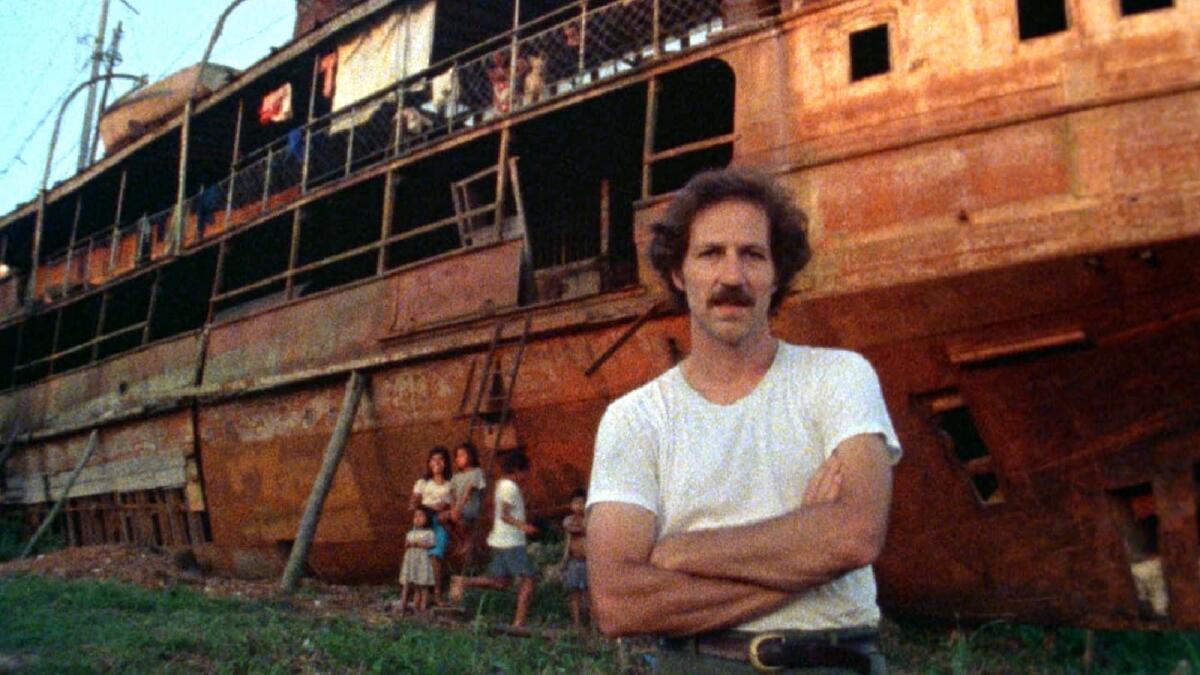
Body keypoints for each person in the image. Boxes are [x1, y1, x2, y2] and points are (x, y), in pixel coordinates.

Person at [587, 168, 901, 674]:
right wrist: (807, 549)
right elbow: (619, 602)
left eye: (753, 255)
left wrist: (681, 552)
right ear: (677, 273)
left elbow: (857, 534)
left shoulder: (839, 377)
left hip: (834, 663)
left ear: (777, 273)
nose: (732, 277)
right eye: (711, 254)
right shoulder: (635, 420)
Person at [448, 451, 538, 628]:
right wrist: (525, 527)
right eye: (526, 471)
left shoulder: (502, 485)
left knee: (501, 582)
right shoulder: (509, 487)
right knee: (529, 580)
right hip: (511, 542)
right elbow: (505, 515)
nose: (527, 476)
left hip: (500, 540)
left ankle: (463, 581)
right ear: (517, 470)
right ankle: (519, 623)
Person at [409, 446, 453, 604]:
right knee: (418, 557)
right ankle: (419, 596)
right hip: (423, 522)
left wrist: (444, 511)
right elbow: (413, 504)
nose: (437, 462)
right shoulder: (422, 483)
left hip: (439, 523)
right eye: (434, 459)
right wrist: (428, 507)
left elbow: (451, 507)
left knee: (435, 556)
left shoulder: (450, 484)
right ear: (429, 463)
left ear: (446, 463)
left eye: (441, 459)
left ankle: (437, 593)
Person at [448, 442, 487, 560]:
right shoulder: (456, 477)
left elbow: (468, 491)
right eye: (457, 456)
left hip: (470, 507)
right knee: (443, 519)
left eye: (463, 455)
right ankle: (461, 540)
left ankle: (467, 541)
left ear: (471, 456)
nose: (459, 458)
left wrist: (458, 508)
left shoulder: (476, 472)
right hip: (458, 508)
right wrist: (453, 508)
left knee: (460, 519)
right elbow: (452, 494)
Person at [397, 507, 436, 615]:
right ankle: (403, 606)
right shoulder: (410, 533)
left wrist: (418, 544)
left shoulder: (429, 533)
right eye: (416, 516)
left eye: (421, 516)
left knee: (422, 585)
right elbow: (406, 545)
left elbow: (431, 544)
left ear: (427, 519)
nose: (417, 519)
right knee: (409, 584)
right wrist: (408, 544)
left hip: (422, 562)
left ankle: (423, 608)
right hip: (411, 562)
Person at [561, 488, 589, 630]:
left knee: (588, 593)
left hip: (587, 562)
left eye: (581, 503)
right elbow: (570, 529)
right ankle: (576, 623)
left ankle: (592, 623)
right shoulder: (568, 520)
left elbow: (583, 529)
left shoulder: (589, 520)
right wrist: (564, 560)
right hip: (573, 561)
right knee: (574, 593)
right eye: (575, 503)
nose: (578, 506)